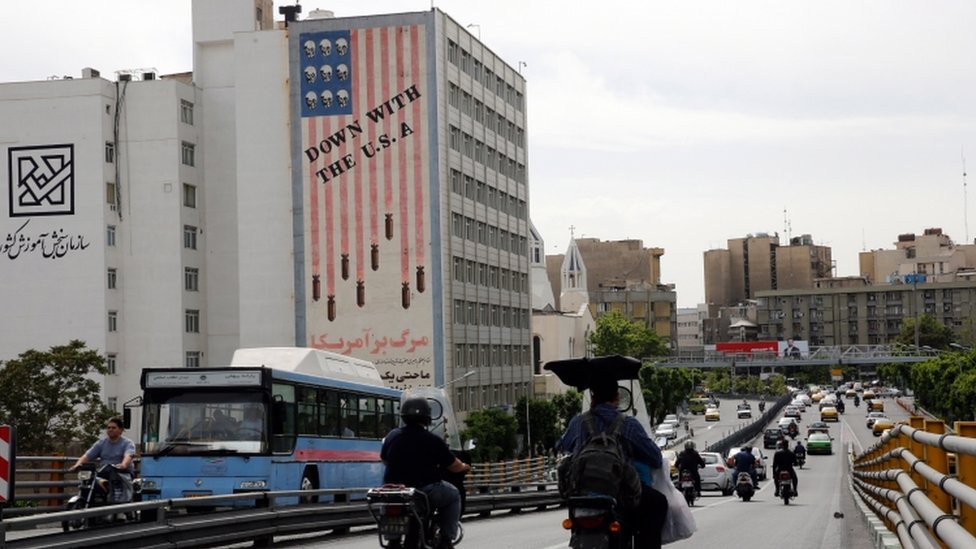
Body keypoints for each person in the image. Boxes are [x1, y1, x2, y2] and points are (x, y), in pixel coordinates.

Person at [558, 378, 668, 549]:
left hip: (581, 493)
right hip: (619, 493)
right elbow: (655, 457)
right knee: (658, 503)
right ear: (617, 397)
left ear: (592, 398)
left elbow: (562, 446)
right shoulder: (628, 424)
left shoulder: (578, 422)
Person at [381, 397, 470, 549]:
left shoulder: (392, 436)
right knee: (454, 495)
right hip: (424, 490)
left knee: (391, 508)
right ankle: (446, 539)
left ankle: (393, 540)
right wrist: (464, 467)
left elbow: (383, 458)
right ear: (427, 418)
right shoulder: (433, 440)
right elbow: (453, 466)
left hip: (396, 492)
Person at [70, 417, 136, 502]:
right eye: (108, 428)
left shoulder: (127, 443)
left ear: (121, 430)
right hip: (104, 472)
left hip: (122, 473)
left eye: (113, 428)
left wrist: (123, 465)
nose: (110, 430)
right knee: (90, 481)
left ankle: (116, 503)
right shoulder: (101, 443)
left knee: (115, 478)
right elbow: (87, 456)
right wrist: (77, 465)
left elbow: (128, 455)